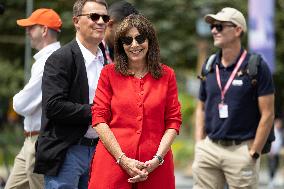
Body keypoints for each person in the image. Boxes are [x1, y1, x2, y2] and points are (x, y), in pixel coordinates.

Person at [88, 14, 182, 189]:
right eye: (127, 40)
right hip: (112, 165)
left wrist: (158, 159)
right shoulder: (108, 73)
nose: (134, 45)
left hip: (155, 168)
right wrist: (122, 159)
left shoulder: (167, 75)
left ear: (150, 41)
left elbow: (173, 121)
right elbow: (99, 119)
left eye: (140, 38)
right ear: (121, 45)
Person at [192, 7, 275, 189]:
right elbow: (201, 107)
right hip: (209, 149)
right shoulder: (209, 64)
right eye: (213, 26)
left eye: (220, 26)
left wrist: (254, 153)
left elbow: (268, 114)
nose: (214, 30)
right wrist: (200, 144)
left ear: (238, 30)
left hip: (242, 150)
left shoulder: (257, 66)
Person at [33, 0, 109, 188]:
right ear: (76, 21)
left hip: (99, 152)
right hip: (67, 151)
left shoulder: (106, 62)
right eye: (94, 16)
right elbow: (53, 106)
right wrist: (97, 111)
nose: (101, 21)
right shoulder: (61, 58)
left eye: (105, 17)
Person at [4, 8, 62, 189]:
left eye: (31, 27)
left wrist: (17, 97)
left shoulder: (49, 61)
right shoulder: (47, 59)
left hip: (39, 141)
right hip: (31, 140)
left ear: (44, 30)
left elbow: (22, 104)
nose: (27, 32)